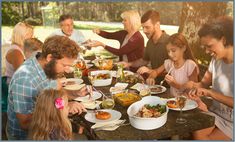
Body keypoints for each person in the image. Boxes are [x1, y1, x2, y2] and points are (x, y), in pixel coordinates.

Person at [7, 35, 87, 140]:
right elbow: (25, 123)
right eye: (64, 65)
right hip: (28, 136)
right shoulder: (25, 80)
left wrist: (74, 94)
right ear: (49, 58)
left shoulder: (47, 64)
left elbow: (57, 92)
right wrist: (63, 110)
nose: (67, 70)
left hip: (50, 129)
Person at [185, 16, 233, 140]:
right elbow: (203, 84)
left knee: (200, 137)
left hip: (232, 123)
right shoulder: (215, 60)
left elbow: (209, 91)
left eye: (209, 46)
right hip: (216, 113)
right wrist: (193, 88)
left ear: (223, 40)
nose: (207, 51)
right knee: (192, 128)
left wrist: (211, 93)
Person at [119, 10, 169, 83]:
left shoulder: (169, 42)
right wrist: (128, 64)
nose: (144, 31)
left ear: (157, 25)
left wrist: (149, 71)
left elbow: (175, 69)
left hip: (168, 87)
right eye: (143, 27)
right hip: (153, 84)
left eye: (147, 27)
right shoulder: (150, 43)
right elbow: (143, 61)